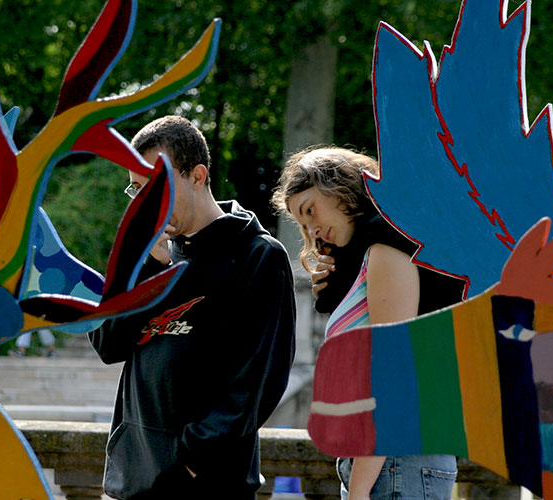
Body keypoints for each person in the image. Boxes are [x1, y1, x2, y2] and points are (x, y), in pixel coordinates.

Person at [88, 115, 296, 500]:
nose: (143, 202)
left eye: (153, 186)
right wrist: (146, 267)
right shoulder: (145, 253)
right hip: (131, 484)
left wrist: (188, 463)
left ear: (197, 176)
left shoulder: (258, 256)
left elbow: (258, 382)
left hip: (208, 485)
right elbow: (107, 344)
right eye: (135, 190)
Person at [272, 146, 465, 500]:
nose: (312, 230)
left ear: (338, 189)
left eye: (310, 211)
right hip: (391, 457)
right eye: (302, 224)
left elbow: (392, 373)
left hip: (394, 458)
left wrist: (359, 486)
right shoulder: (375, 251)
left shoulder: (387, 246)